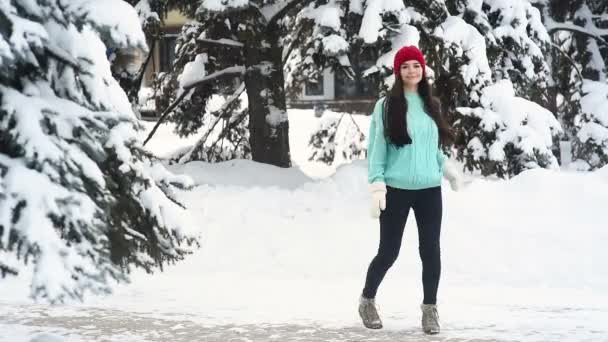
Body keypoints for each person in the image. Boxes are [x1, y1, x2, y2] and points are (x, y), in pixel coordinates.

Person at [358, 45, 462, 335]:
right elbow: (376, 148)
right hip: (396, 189)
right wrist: (376, 184)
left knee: (431, 251)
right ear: (398, 71)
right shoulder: (386, 106)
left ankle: (430, 310)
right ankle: (367, 300)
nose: (411, 71)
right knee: (388, 252)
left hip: (429, 189)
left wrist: (447, 168)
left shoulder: (432, 104)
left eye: (416, 65)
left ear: (423, 69)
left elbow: (433, 147)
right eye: (405, 67)